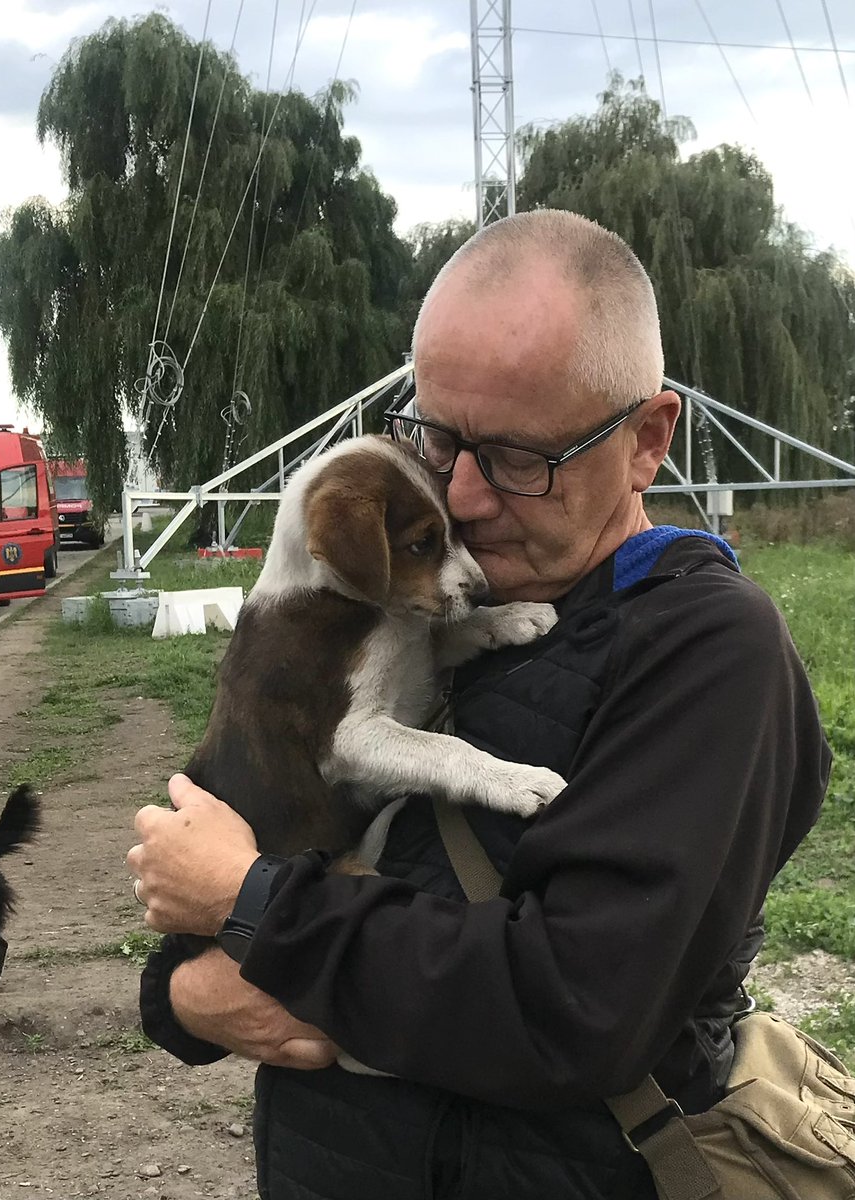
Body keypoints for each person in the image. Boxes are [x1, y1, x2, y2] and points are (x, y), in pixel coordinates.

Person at [127, 209, 832, 1200]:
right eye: (435, 436)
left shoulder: (707, 653)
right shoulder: (409, 605)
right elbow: (240, 875)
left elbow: (576, 1011)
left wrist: (253, 908)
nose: (456, 494)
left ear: (644, 441)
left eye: (515, 457)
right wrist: (181, 991)